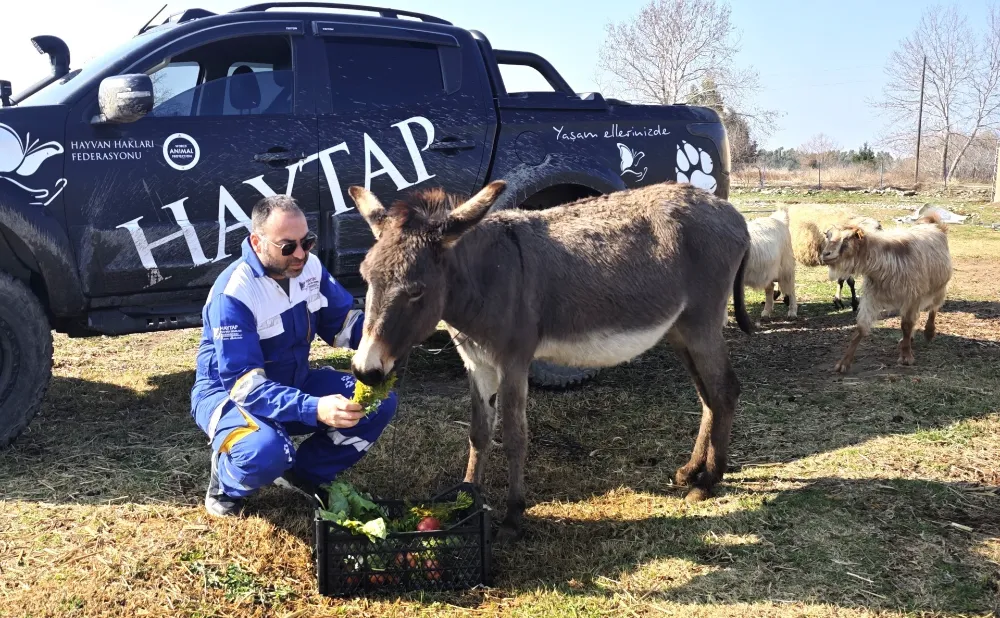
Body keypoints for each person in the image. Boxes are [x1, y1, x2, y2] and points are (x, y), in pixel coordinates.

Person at [190, 194, 397, 517]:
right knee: (268, 451)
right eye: (288, 246)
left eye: (307, 241)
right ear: (257, 242)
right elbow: (245, 386)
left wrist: (389, 338)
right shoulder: (233, 294)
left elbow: (342, 324)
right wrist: (314, 408)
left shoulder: (308, 267)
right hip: (230, 396)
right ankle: (226, 483)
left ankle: (304, 474)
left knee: (378, 403)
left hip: (293, 381)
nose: (300, 254)